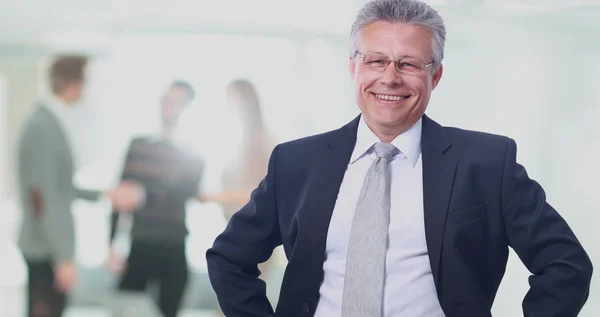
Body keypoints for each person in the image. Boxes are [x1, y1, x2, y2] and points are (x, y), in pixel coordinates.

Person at [205, 0, 593, 316]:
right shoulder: (296, 162)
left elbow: (566, 265)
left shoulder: (488, 163)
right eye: (376, 60)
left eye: (408, 63)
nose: (390, 78)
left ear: (436, 76)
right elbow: (229, 259)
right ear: (354, 67)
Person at [17, 55, 141, 317]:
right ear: (74, 84)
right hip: (45, 248)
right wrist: (63, 257)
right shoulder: (44, 127)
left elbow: (59, 188)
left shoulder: (48, 123)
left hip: (45, 245)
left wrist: (104, 194)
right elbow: (45, 198)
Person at [108, 80, 204, 317]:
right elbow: (121, 195)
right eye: (165, 100)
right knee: (124, 309)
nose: (168, 106)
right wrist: (111, 245)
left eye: (175, 101)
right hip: (139, 244)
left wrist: (142, 193)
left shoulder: (193, 153)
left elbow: (183, 191)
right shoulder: (138, 146)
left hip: (173, 246)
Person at [200, 79, 279, 315]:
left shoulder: (262, 140)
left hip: (255, 242)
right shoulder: (240, 140)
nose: (230, 106)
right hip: (238, 238)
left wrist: (216, 197)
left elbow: (261, 192)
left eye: (234, 99)